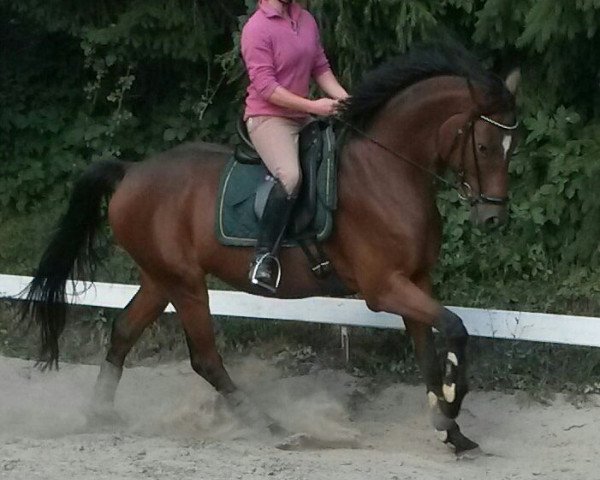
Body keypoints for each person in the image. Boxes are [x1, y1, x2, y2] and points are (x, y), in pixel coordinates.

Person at [241, 0, 348, 293]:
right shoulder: (256, 29)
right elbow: (266, 87)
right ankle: (263, 258)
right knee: (290, 176)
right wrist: (314, 105)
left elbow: (320, 67)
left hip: (301, 117)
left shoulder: (306, 20)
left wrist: (348, 101)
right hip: (268, 118)